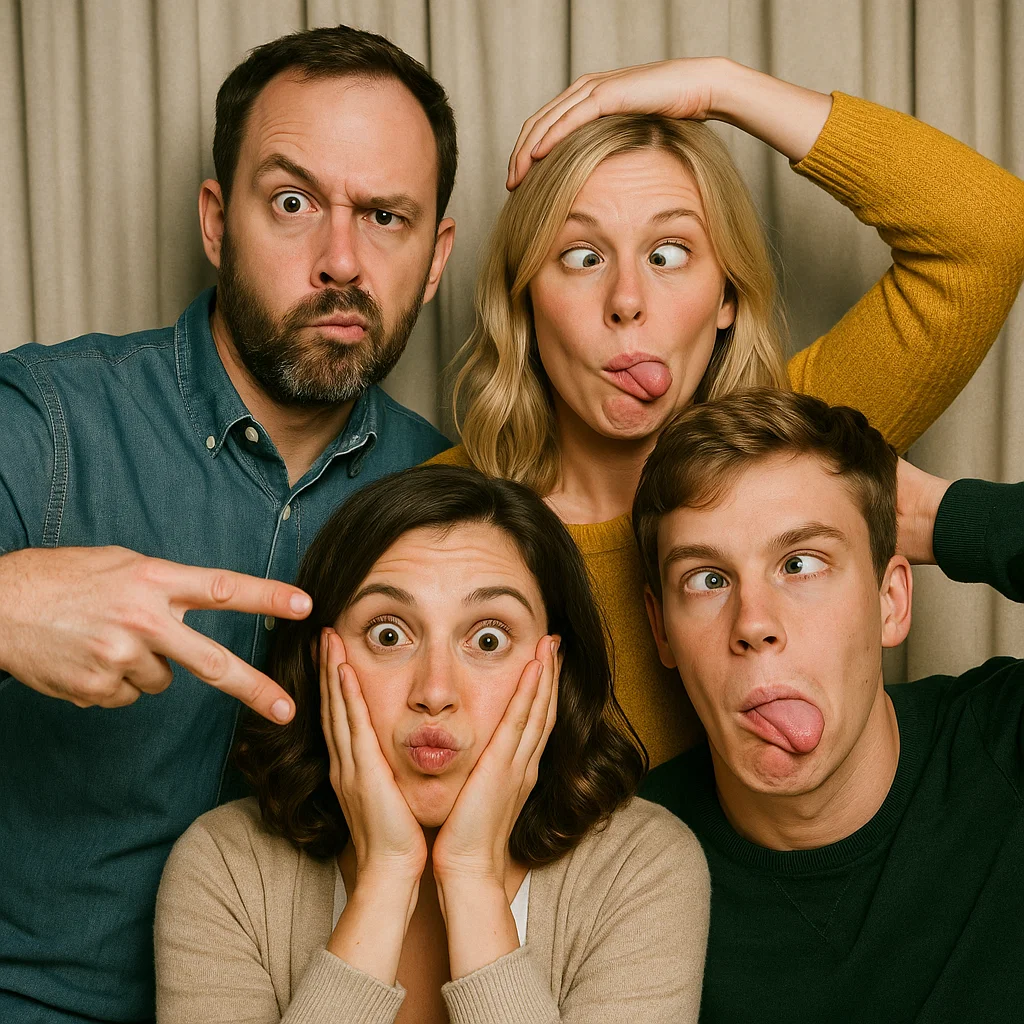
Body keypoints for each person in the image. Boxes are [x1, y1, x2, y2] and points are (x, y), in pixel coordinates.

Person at [0, 26, 459, 1024]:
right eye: (292, 203)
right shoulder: (47, 422)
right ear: (217, 220)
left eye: (386, 217)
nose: (341, 260)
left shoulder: (449, 489)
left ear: (436, 258)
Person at [430, 56, 1024, 767]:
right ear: (527, 301)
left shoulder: (799, 444)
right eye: (583, 256)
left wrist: (721, 87)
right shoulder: (442, 517)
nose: (627, 299)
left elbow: (988, 232)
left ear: (727, 298)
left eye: (670, 252)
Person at [154, 465, 710, 1023]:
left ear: (554, 672)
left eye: (488, 639)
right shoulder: (226, 865)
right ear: (319, 658)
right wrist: (385, 878)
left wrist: (471, 876)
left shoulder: (641, 867)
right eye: (388, 634)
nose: (435, 692)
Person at [634, 387, 1024, 1022]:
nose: (753, 623)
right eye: (708, 579)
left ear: (891, 601)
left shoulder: (1005, 743)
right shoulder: (621, 866)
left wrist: (942, 519)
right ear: (661, 631)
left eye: (801, 563)